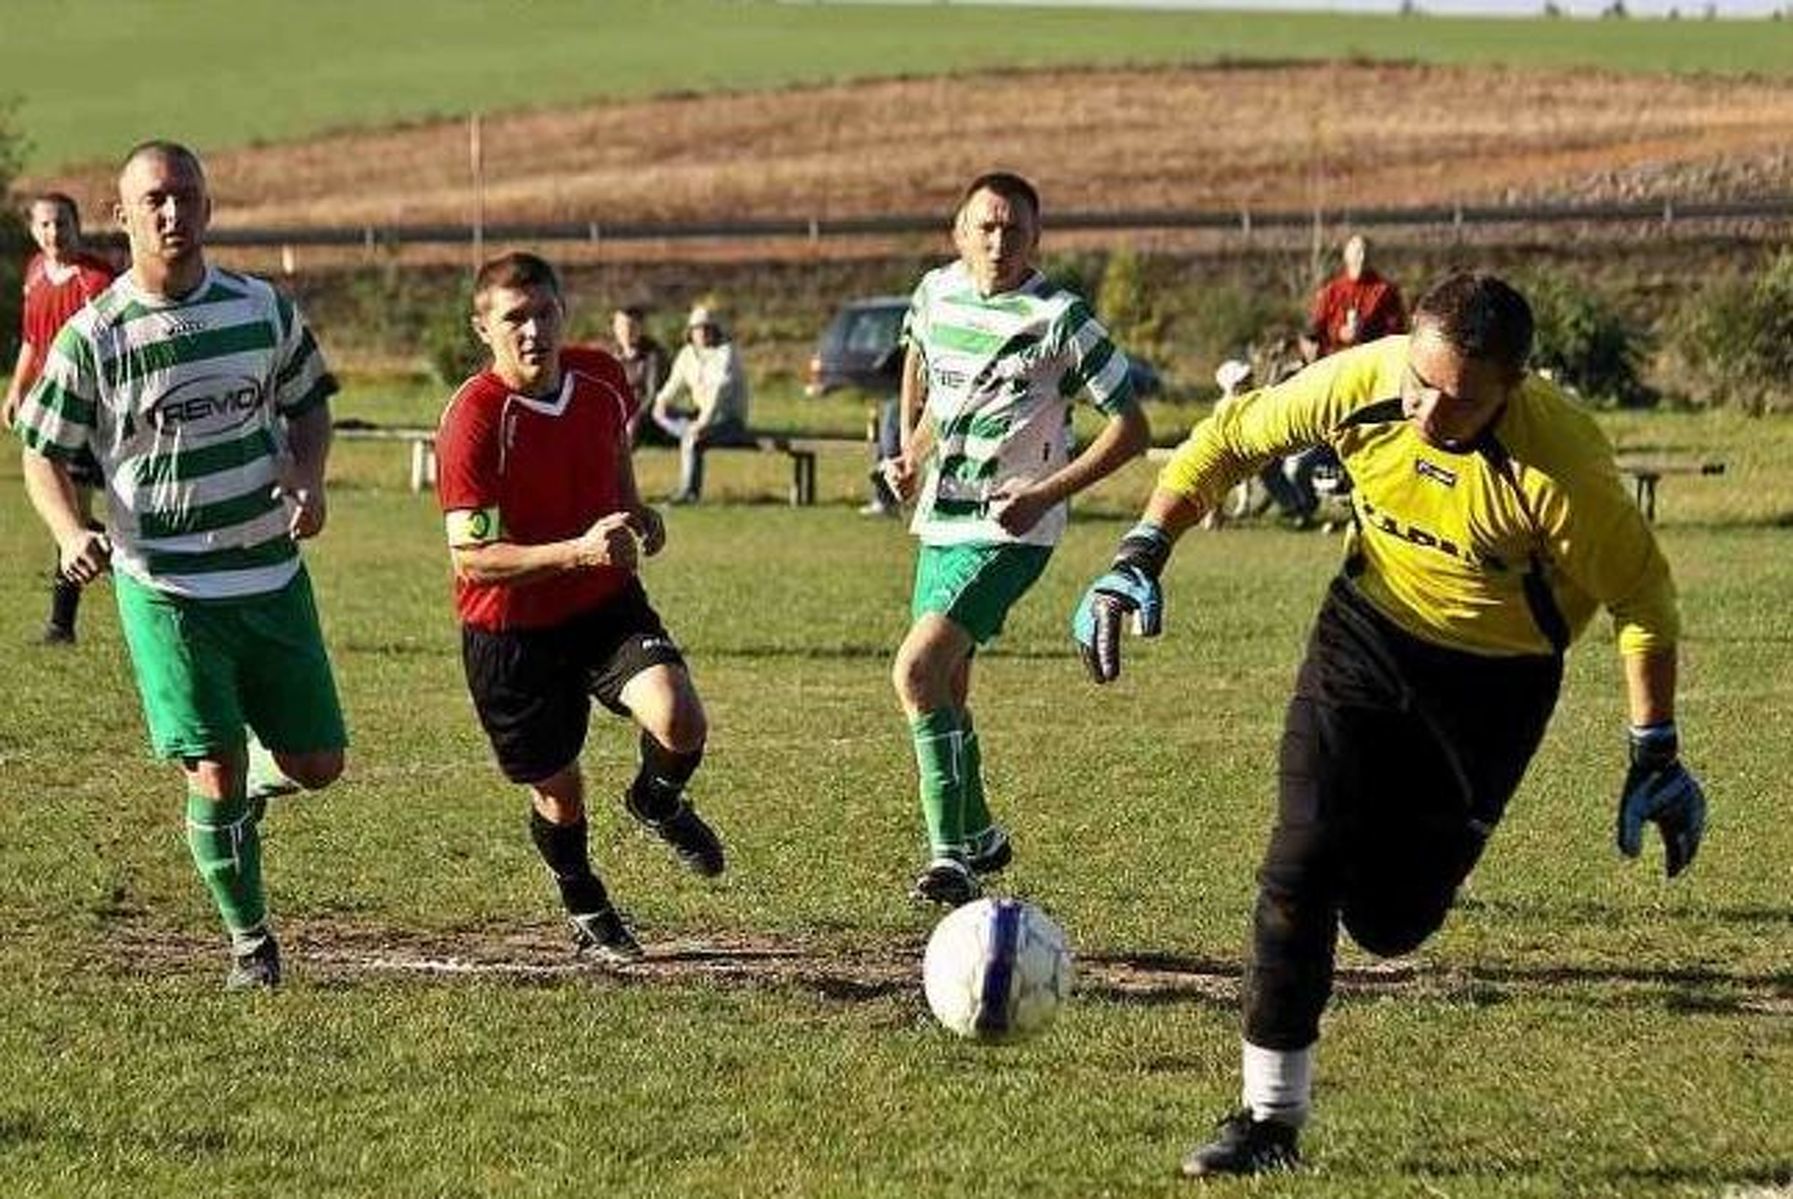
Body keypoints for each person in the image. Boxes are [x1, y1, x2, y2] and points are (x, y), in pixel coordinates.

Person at [1072, 272, 1706, 1177]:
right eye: (1419, 379)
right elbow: (1226, 439)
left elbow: (1643, 599)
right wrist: (1140, 550)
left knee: (1391, 924)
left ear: (1511, 388)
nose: (1424, 410)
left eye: (1457, 398)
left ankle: (1370, 896)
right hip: (1364, 638)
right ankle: (1267, 1121)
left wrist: (1654, 749)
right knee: (1297, 862)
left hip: (1495, 687)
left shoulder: (1560, 465)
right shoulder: (1361, 382)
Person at [14, 141, 348, 990]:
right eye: (154, 199)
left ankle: (254, 789)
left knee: (318, 763)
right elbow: (42, 451)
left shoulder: (261, 309)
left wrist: (306, 476)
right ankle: (251, 943)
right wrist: (66, 530)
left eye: (186, 196)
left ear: (208, 207)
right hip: (165, 585)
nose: (172, 213)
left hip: (271, 573)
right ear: (121, 215)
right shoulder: (95, 336)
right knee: (213, 763)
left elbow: (308, 402)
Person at [436, 251, 726, 965]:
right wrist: (577, 551)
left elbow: (612, 460)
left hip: (602, 605)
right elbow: (472, 558)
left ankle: (656, 801)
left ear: (564, 313)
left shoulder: (601, 376)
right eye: (513, 319)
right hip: (510, 631)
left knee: (680, 716)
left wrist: (635, 512)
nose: (532, 330)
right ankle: (583, 898)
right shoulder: (473, 418)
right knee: (560, 792)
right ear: (483, 329)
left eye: (544, 313)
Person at [884, 171, 1150, 906]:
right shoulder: (934, 292)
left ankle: (949, 859)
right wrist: (911, 449)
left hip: (1010, 531)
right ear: (958, 232)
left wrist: (1043, 495)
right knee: (946, 683)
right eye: (986, 227)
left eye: (1014, 230)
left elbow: (1132, 429)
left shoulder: (1061, 318)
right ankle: (980, 834)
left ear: (1035, 238)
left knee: (914, 671)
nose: (998, 241)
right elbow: (927, 367)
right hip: (941, 517)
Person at [4, 193, 119, 644]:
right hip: (52, 410)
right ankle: (67, 617)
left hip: (91, 415)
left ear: (78, 225)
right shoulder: (35, 273)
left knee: (74, 518)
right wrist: (16, 389)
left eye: (62, 224)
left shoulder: (97, 280)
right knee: (74, 517)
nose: (54, 233)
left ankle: (61, 623)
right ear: (34, 229)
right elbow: (33, 339)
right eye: (46, 225)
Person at [651, 305, 752, 504]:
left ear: (715, 329)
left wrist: (702, 423)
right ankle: (688, 433)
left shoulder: (726, 354)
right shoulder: (687, 354)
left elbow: (718, 393)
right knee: (660, 413)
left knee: (693, 437)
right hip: (699, 418)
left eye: (707, 327)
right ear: (691, 332)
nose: (703, 332)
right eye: (698, 328)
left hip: (728, 421)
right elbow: (674, 384)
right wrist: (661, 402)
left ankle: (688, 493)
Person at [1299, 234, 1408, 364]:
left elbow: (1395, 335)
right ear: (1346, 256)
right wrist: (1338, 332)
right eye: (1357, 253)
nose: (1361, 259)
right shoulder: (1331, 291)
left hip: (1369, 363)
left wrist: (1365, 333)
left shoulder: (1385, 291)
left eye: (1365, 254)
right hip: (1333, 362)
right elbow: (1315, 330)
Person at [611, 304, 672, 448]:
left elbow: (652, 394)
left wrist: (635, 416)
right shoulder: (613, 355)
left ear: (640, 328)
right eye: (620, 326)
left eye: (631, 326)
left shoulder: (654, 355)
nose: (626, 331)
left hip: (647, 415)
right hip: (618, 413)